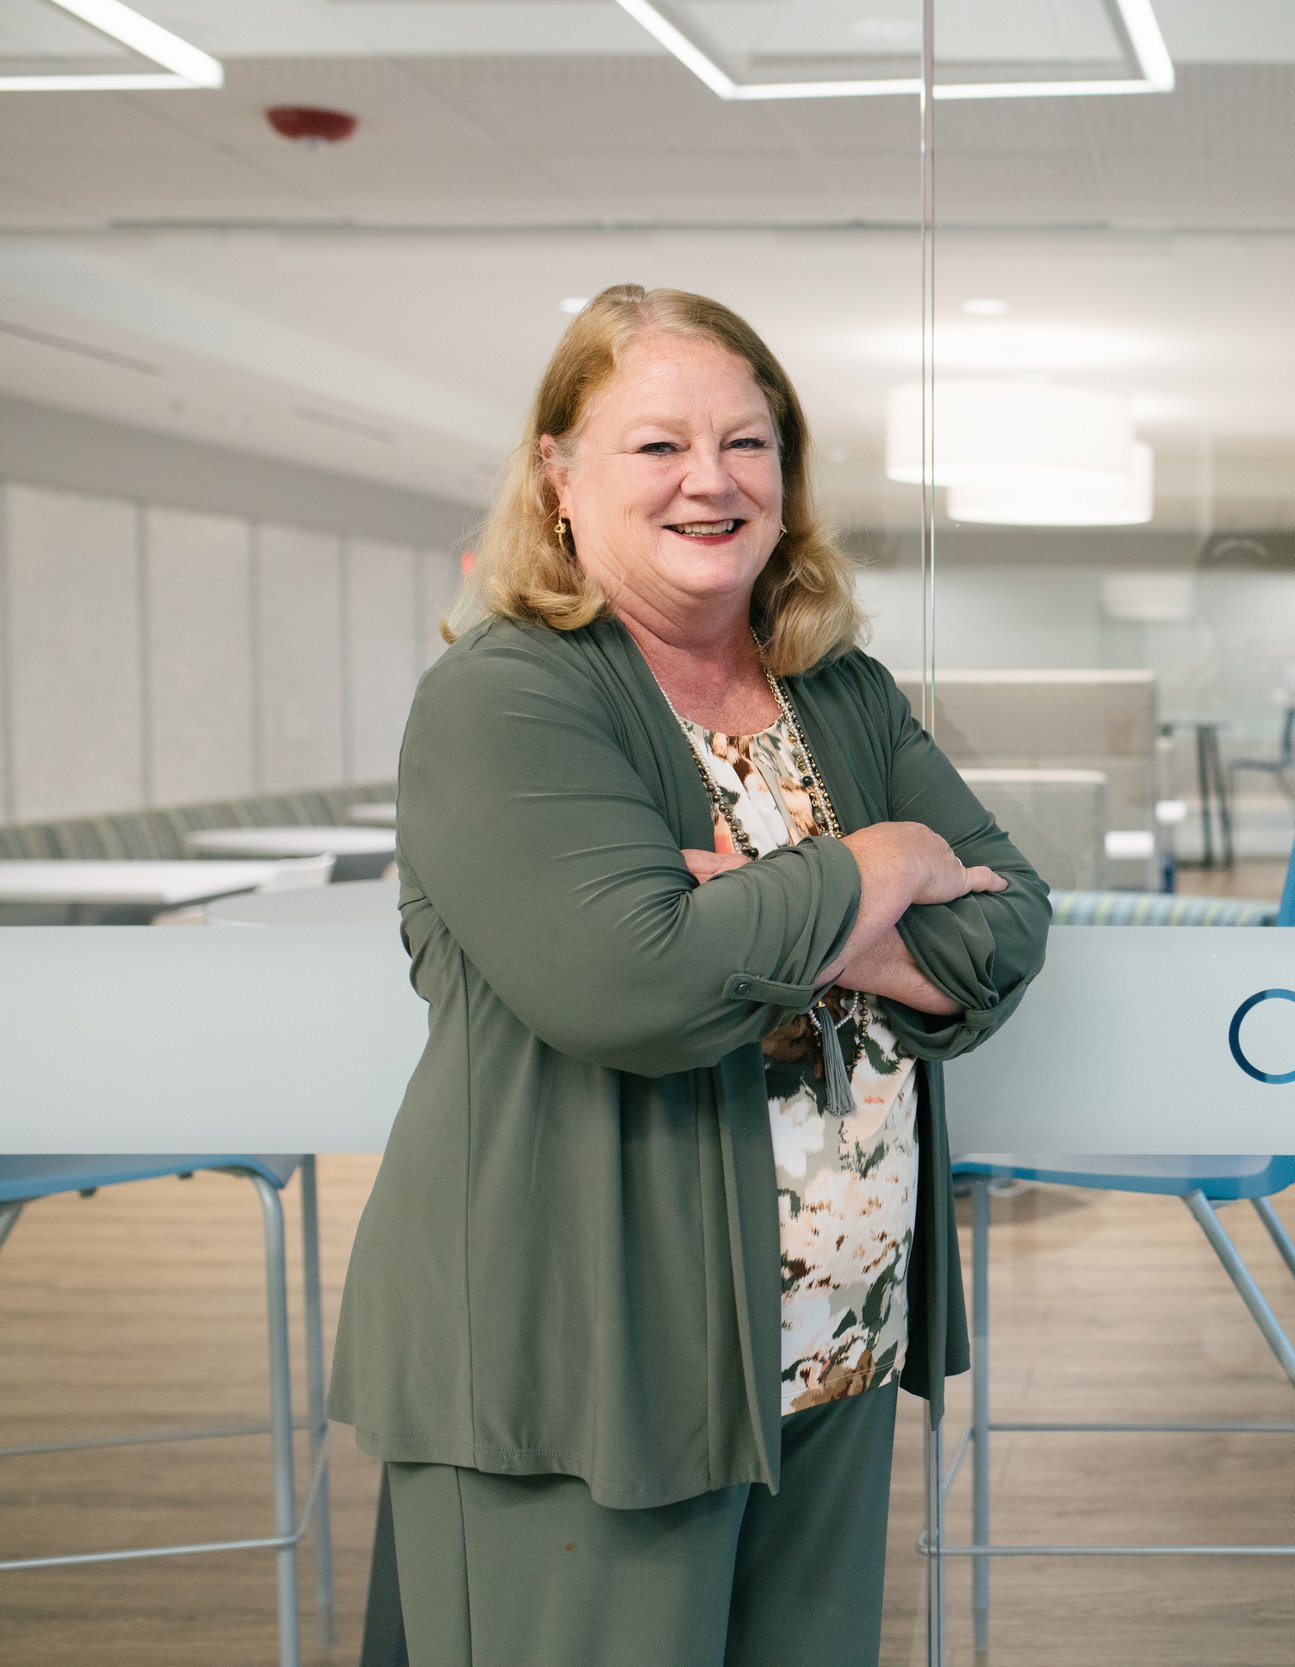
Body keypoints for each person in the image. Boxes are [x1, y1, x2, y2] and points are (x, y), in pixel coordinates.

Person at [329, 284, 1049, 1667]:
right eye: (657, 445)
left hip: (831, 1339)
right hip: (594, 1350)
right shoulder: (510, 696)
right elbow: (634, 987)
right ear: (558, 473)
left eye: (748, 443)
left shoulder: (835, 688)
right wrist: (886, 855)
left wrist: (767, 913)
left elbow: (1008, 926)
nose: (710, 482)